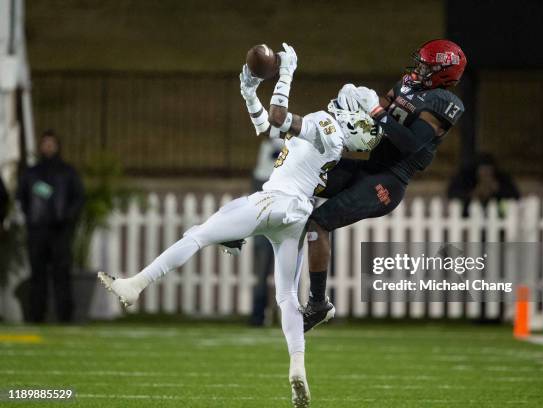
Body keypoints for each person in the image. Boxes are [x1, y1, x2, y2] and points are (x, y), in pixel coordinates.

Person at [98, 43, 381, 408]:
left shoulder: (325, 123)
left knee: (198, 234)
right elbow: (266, 126)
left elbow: (278, 117)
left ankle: (135, 285)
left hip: (274, 200)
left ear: (350, 113)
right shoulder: (334, 137)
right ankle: (298, 366)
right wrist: (249, 92)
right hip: (296, 216)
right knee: (286, 297)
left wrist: (287, 72)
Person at [301, 39, 468, 331]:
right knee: (302, 177)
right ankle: (246, 228)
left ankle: (317, 303)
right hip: (369, 167)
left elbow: (412, 144)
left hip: (388, 181)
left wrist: (377, 114)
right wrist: (354, 104)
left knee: (319, 223)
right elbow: (381, 107)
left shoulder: (445, 102)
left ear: (442, 73)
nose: (419, 68)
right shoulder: (408, 83)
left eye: (427, 66)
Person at [17, 130, 85, 323]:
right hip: (37, 231)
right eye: (45, 143)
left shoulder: (67, 172)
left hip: (60, 232)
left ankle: (65, 316)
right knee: (37, 275)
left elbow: (78, 198)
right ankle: (36, 315)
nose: (48, 147)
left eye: (51, 143)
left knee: (61, 274)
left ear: (57, 146)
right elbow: (21, 198)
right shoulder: (32, 173)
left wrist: (67, 217)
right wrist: (30, 217)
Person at [250, 137, 284, 326]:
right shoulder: (270, 148)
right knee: (266, 272)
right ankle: (258, 314)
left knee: (278, 273)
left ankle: (263, 315)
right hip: (269, 222)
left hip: (276, 222)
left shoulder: (274, 147)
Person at [447, 152, 520, 216]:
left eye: (488, 170)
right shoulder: (466, 178)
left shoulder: (502, 179)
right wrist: (473, 193)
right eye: (483, 170)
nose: (486, 174)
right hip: (469, 218)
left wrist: (498, 189)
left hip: (497, 218)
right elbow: (452, 194)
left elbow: (515, 196)